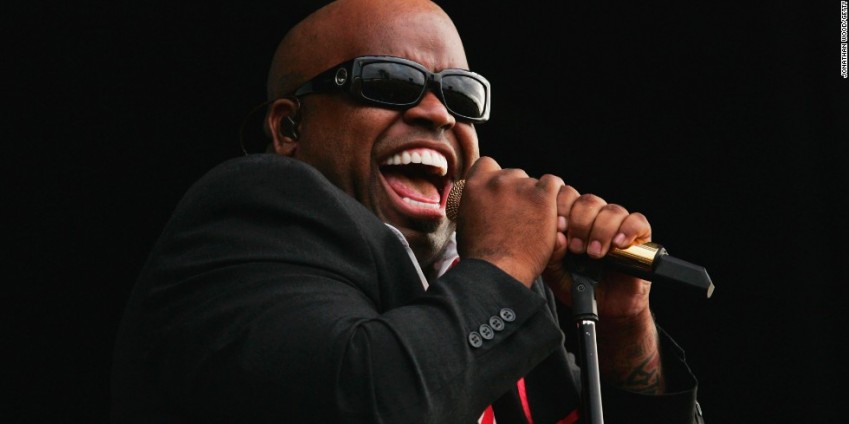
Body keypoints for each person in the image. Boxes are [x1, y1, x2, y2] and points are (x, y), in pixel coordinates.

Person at [111, 0, 705, 422]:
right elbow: (370, 402)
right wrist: (503, 261)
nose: (439, 113)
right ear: (290, 127)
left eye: (459, 94)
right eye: (390, 82)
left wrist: (625, 330)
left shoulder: (497, 284)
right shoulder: (252, 214)